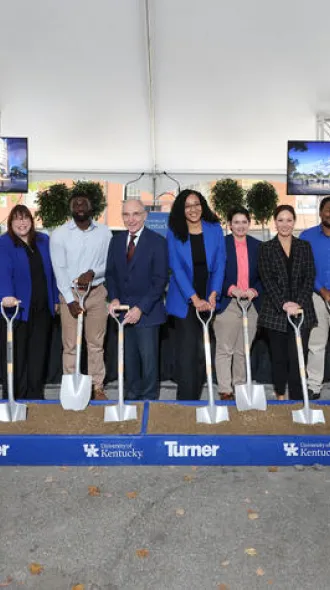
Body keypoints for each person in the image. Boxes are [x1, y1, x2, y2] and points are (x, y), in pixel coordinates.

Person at [50, 193, 112, 400]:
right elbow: (58, 269)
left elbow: (108, 263)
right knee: (71, 345)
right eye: (75, 203)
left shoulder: (104, 233)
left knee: (95, 343)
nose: (79, 206)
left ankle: (97, 387)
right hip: (71, 295)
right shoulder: (59, 234)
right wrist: (69, 299)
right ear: (71, 209)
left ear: (91, 207)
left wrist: (93, 272)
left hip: (96, 293)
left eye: (83, 203)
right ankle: (70, 388)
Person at [166, 189, 226, 400]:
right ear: (181, 210)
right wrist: (194, 298)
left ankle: (198, 398)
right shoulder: (174, 231)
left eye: (197, 204)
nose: (193, 209)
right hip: (185, 300)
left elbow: (220, 264)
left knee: (203, 352)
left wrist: (213, 294)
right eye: (188, 205)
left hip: (208, 299)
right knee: (188, 353)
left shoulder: (214, 229)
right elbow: (176, 267)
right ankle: (185, 402)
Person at [106, 199, 168, 400]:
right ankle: (131, 400)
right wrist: (114, 298)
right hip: (123, 313)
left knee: (149, 363)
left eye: (135, 214)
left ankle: (150, 401)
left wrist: (141, 308)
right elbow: (111, 274)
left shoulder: (158, 242)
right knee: (128, 360)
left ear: (145, 216)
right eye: (126, 215)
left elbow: (160, 280)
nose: (131, 219)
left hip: (147, 314)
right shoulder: (116, 241)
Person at [258, 205, 316, 400]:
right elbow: (267, 280)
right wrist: (284, 304)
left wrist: (297, 304)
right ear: (275, 222)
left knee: (298, 358)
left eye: (289, 220)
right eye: (281, 220)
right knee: (279, 359)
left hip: (301, 313)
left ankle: (298, 400)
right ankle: (280, 397)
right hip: (275, 314)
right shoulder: (266, 249)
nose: (285, 224)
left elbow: (309, 277)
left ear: (294, 222)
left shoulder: (304, 247)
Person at [0, 205, 58, 399]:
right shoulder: (4, 243)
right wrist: (5, 295)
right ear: (11, 223)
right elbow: (3, 272)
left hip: (42, 309)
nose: (22, 222)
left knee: (38, 356)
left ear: (32, 221)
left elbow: (52, 273)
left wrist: (55, 298)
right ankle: (15, 397)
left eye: (25, 218)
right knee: (16, 357)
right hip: (16, 310)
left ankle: (35, 398)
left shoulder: (43, 241)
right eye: (17, 219)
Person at [214, 207, 262, 400]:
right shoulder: (221, 245)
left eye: (244, 222)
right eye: (236, 222)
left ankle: (240, 387)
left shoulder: (258, 246)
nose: (240, 226)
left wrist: (254, 290)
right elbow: (215, 273)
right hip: (228, 302)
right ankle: (225, 390)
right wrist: (231, 288)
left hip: (251, 305)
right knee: (225, 349)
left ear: (249, 224)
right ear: (229, 224)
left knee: (243, 349)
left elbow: (264, 276)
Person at [300, 196, 330, 399]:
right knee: (316, 344)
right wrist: (323, 291)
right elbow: (303, 269)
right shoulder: (307, 236)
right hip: (317, 297)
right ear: (320, 213)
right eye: (328, 209)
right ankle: (314, 386)